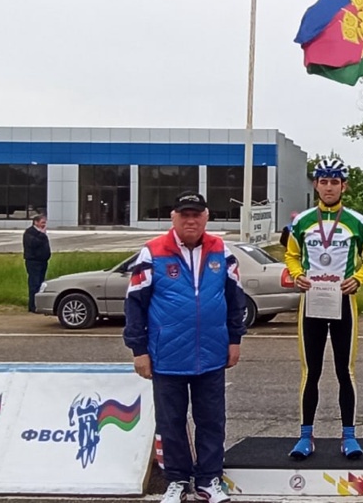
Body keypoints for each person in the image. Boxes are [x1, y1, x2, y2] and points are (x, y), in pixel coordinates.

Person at [123, 192, 245, 503]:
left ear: (206, 217)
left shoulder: (222, 251)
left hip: (212, 354)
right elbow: (135, 304)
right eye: (184, 215)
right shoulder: (152, 252)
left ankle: (208, 480)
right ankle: (176, 480)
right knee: (171, 423)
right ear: (173, 218)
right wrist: (139, 350)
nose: (191, 220)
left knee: (212, 421)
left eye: (196, 215)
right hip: (166, 355)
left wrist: (235, 339)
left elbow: (236, 299)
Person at [283, 160, 363, 459]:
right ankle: (305, 437)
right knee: (311, 371)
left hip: (343, 302)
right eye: (323, 181)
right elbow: (291, 255)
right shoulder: (302, 221)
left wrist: (358, 279)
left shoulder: (356, 222)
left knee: (344, 371)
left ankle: (348, 436)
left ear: (343, 186)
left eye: (334, 182)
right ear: (316, 185)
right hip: (312, 302)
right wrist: (297, 274)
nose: (328, 187)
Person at [23, 214, 51, 313]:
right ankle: (32, 306)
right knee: (34, 284)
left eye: (45, 222)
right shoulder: (30, 232)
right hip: (34, 262)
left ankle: (40, 305)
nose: (44, 224)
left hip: (43, 261)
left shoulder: (42, 233)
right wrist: (41, 234)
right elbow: (33, 243)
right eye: (42, 222)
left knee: (41, 283)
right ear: (36, 222)